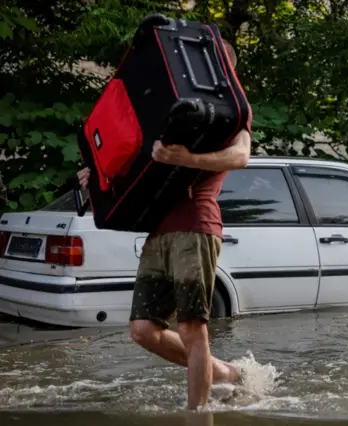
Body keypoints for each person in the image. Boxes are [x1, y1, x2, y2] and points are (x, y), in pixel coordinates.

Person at [77, 40, 251, 410]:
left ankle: (197, 415)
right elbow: (137, 165)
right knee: (143, 330)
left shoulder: (232, 111)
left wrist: (189, 158)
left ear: (224, 69)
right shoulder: (169, 106)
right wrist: (97, 179)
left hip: (195, 225)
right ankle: (227, 373)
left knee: (191, 328)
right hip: (158, 231)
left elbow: (240, 156)